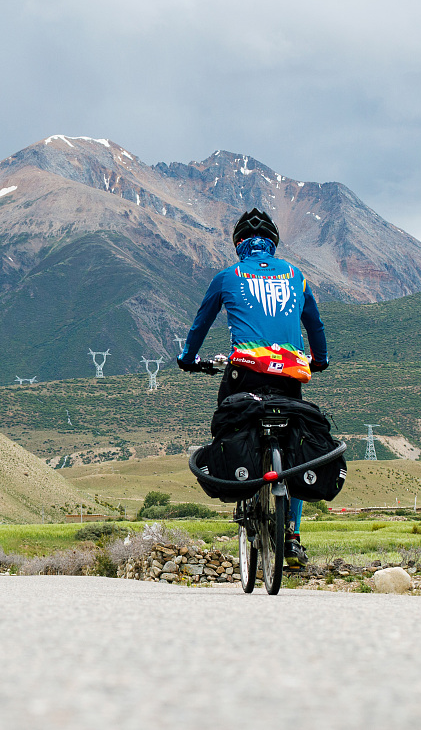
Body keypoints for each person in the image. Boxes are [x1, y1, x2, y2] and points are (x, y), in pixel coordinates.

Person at [177, 208, 329, 569]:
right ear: (273, 245)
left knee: (229, 423)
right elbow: (316, 326)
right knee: (294, 449)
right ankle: (290, 535)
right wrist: (319, 359)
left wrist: (189, 358)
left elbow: (200, 326)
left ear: (239, 245)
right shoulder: (297, 276)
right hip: (289, 376)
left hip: (243, 373)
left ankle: (242, 484)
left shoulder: (227, 277)